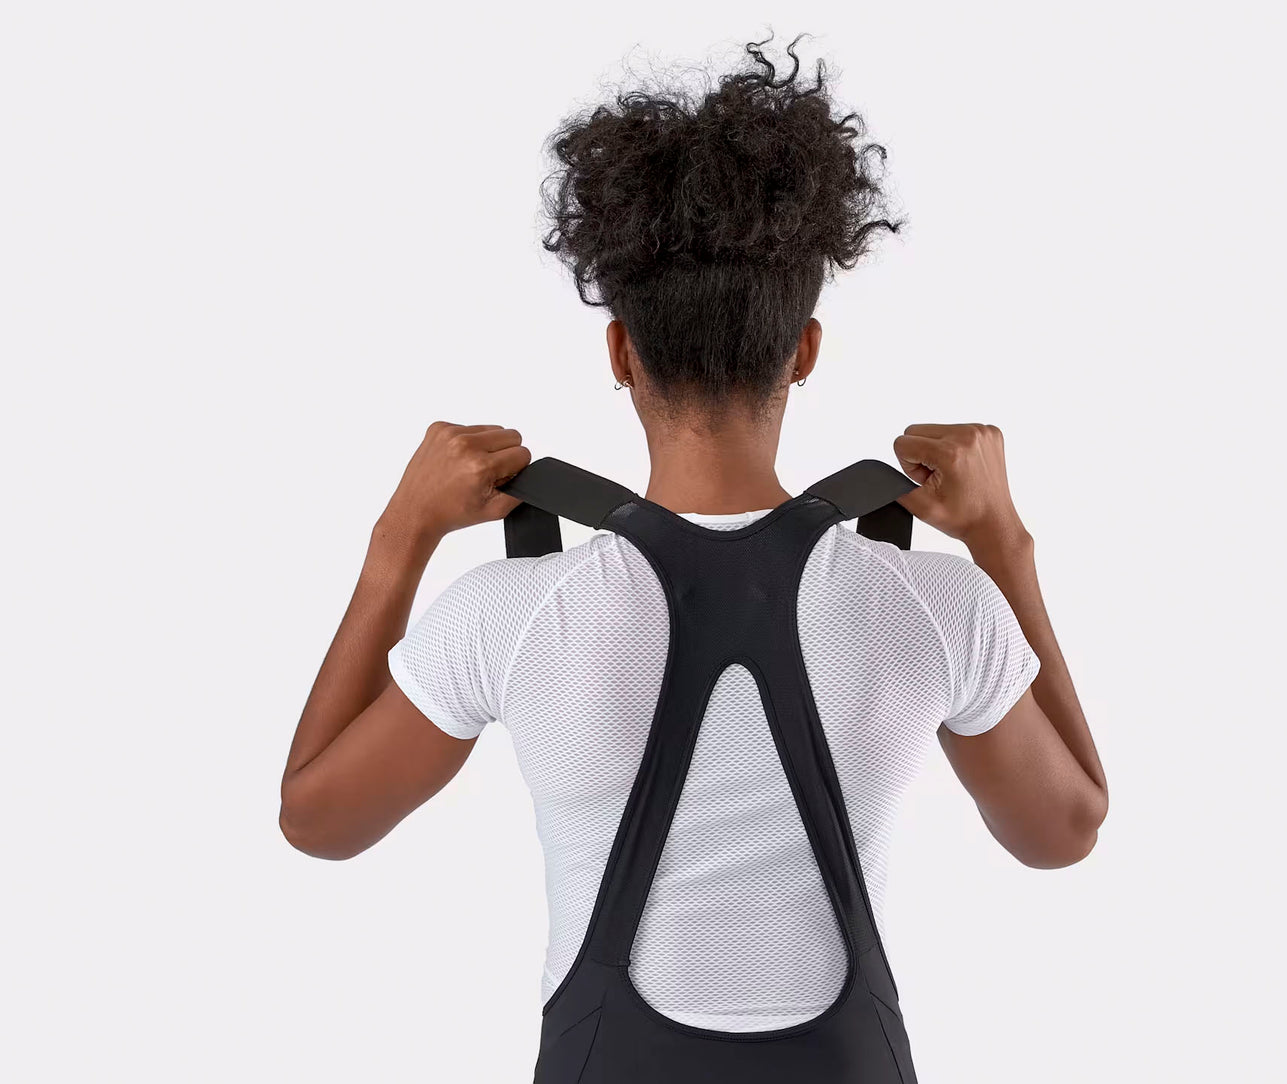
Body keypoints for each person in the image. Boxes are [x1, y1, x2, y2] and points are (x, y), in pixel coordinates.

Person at [280, 34, 1106, 1054]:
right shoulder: (933, 606)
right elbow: (1064, 828)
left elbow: (317, 819)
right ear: (803, 350)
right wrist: (1005, 550)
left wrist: (395, 541)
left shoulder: (513, 611)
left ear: (619, 352)